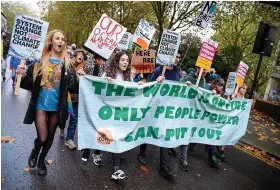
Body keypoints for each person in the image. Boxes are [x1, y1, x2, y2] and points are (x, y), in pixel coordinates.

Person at [16, 29, 81, 176]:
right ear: (51, 41)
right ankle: (34, 151)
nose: (61, 41)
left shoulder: (67, 63)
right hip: (40, 105)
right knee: (43, 137)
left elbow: (72, 88)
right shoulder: (40, 60)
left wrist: (78, 77)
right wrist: (23, 73)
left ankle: (41, 160)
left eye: (63, 39)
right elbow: (29, 83)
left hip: (57, 107)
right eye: (57, 38)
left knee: (51, 136)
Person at [138, 50, 182, 179]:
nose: (177, 59)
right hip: (155, 106)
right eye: (175, 56)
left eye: (179, 57)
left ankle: (164, 166)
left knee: (165, 134)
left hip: (167, 110)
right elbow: (149, 84)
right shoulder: (159, 69)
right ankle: (141, 153)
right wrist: (157, 80)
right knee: (147, 129)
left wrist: (186, 86)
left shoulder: (177, 72)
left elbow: (177, 89)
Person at [91, 51, 132, 181]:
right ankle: (97, 153)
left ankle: (117, 169)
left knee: (115, 138)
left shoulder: (128, 77)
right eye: (123, 60)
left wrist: (139, 85)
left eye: (127, 60)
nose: (125, 62)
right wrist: (105, 83)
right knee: (106, 135)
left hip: (119, 113)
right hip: (107, 112)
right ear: (117, 61)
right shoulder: (107, 74)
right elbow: (97, 91)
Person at [64, 49, 87, 149]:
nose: (81, 56)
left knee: (74, 119)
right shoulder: (68, 67)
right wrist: (77, 77)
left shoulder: (85, 69)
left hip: (78, 99)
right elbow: (69, 86)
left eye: (82, 55)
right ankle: (61, 127)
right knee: (63, 118)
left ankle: (69, 139)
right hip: (67, 97)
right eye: (79, 54)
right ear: (75, 56)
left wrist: (84, 77)